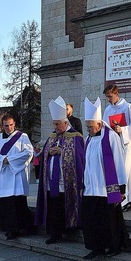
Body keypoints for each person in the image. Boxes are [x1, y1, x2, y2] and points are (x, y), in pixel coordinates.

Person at [81, 97, 128, 259]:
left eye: (90, 127)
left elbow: (118, 162)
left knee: (109, 220)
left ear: (99, 124)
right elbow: (87, 163)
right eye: (87, 127)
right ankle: (96, 247)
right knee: (92, 220)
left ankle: (114, 246)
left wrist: (121, 188)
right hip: (90, 188)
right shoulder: (88, 139)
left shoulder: (111, 137)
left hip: (107, 188)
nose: (88, 130)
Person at [36, 97, 84, 245]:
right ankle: (54, 233)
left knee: (64, 205)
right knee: (53, 208)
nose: (55, 127)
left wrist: (63, 151)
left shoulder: (76, 137)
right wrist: (47, 152)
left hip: (67, 182)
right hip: (52, 181)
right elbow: (45, 154)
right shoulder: (52, 137)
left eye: (57, 124)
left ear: (65, 123)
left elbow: (80, 157)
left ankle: (69, 228)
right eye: (54, 124)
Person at [0, 114, 34, 240]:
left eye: (11, 125)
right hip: (4, 175)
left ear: (14, 124)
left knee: (17, 203)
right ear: (2, 126)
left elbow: (28, 153)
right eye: (6, 125)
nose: (9, 128)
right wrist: (2, 160)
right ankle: (9, 229)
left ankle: (21, 228)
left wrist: (9, 160)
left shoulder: (22, 137)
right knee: (6, 204)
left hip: (17, 176)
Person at [102, 84, 131, 211]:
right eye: (107, 97)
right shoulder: (107, 110)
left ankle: (126, 200)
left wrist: (122, 130)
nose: (108, 99)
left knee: (124, 172)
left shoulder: (128, 107)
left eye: (110, 96)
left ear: (116, 94)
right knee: (115, 172)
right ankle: (120, 199)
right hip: (113, 146)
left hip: (125, 145)